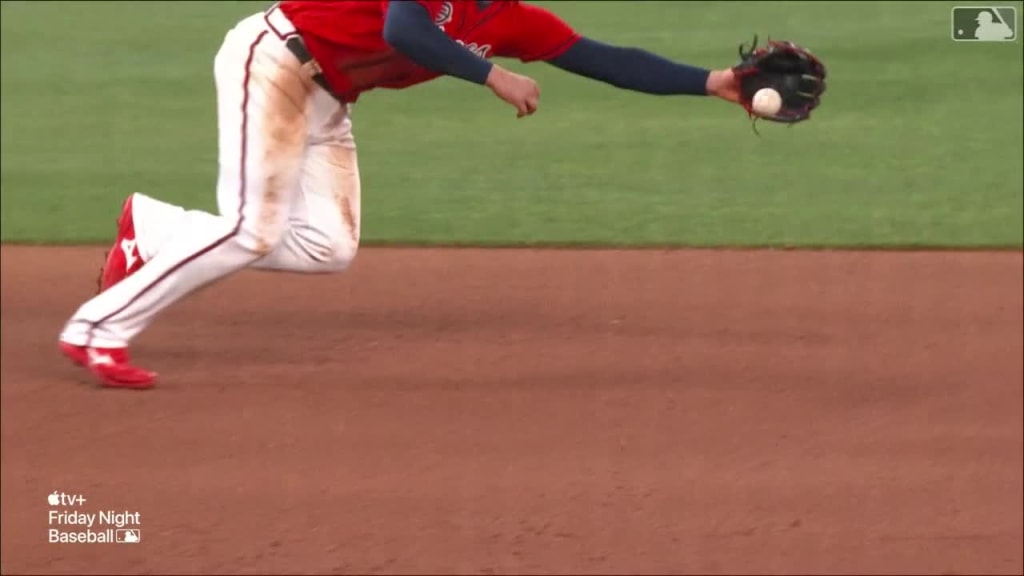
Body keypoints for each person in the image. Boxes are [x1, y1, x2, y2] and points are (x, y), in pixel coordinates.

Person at [58, 0, 744, 389]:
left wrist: (714, 81)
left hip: (329, 97)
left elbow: (604, 59)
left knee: (327, 247)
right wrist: (490, 77)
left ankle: (150, 230)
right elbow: (403, 29)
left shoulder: (509, 17)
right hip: (274, 60)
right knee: (250, 228)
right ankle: (95, 330)